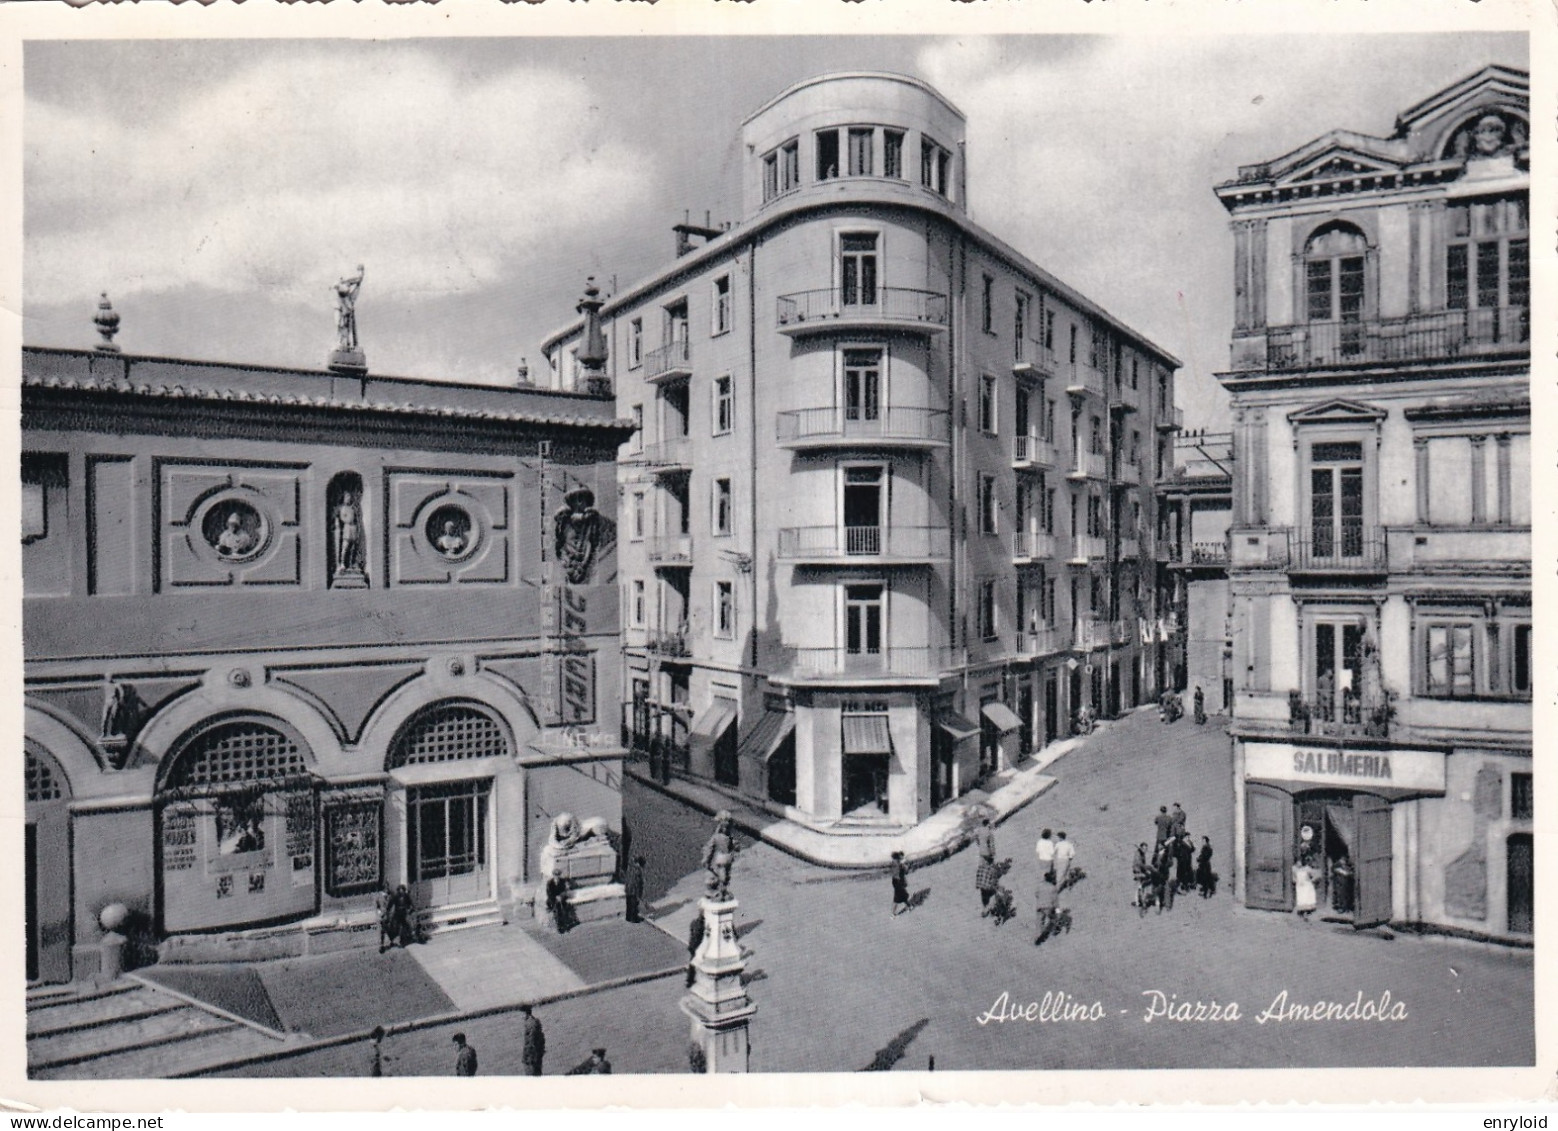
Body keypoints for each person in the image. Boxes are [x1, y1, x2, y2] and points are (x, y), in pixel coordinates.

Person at [380, 884, 416, 951]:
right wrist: (387, 912)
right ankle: (393, 940)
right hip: (397, 914)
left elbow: (411, 904)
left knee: (407, 925)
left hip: (404, 913)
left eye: (402, 891)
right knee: (395, 926)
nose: (401, 892)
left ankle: (409, 937)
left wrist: (410, 910)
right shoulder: (395, 897)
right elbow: (390, 905)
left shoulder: (406, 896)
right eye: (400, 891)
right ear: (398, 891)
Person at [1033, 873, 1060, 945]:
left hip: (1039, 906)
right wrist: (1058, 911)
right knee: (1053, 919)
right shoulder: (1053, 887)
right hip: (1048, 907)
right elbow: (1055, 901)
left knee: (1039, 922)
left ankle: (1037, 938)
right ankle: (1054, 932)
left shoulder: (1040, 885)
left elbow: (1036, 894)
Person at [520, 1005, 546, 1076]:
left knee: (531, 1073)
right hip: (536, 1053)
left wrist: (527, 1056)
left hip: (532, 1054)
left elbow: (530, 1040)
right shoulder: (535, 1021)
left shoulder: (529, 1023)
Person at [1293, 855, 1319, 922]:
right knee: (1301, 898)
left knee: (1306, 898)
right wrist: (1296, 881)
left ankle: (1306, 913)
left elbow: (1315, 876)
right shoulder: (1294, 869)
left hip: (1307, 885)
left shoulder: (1307, 868)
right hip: (1300, 886)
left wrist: (1311, 880)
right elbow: (1293, 878)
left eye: (1300, 862)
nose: (1299, 864)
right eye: (1298, 862)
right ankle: (1301, 912)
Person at [685, 910, 706, 988]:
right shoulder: (703, 926)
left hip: (692, 945)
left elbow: (692, 932)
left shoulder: (694, 922)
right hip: (698, 947)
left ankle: (689, 980)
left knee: (692, 963)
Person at [623, 854, 646, 923]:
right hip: (634, 889)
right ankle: (634, 917)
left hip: (628, 888)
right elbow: (638, 882)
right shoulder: (638, 870)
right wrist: (639, 892)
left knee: (629, 903)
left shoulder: (630, 868)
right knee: (634, 903)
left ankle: (628, 916)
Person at [1131, 843, 1152, 909]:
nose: (1146, 850)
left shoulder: (1141, 854)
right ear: (1141, 848)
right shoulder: (1138, 854)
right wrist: (1146, 870)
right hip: (1138, 872)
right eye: (1144, 848)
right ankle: (1139, 901)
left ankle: (1138, 901)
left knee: (1140, 886)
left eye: (1146, 849)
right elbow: (1139, 864)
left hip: (1140, 871)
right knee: (1140, 885)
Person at [889, 850, 910, 917]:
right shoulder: (899, 865)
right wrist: (905, 866)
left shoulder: (893, 863)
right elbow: (904, 872)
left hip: (896, 881)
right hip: (899, 882)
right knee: (897, 899)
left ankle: (908, 907)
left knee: (903, 895)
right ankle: (893, 914)